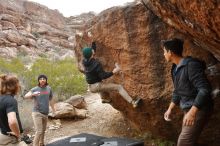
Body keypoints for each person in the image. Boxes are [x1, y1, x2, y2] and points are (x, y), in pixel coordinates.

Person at [162, 38, 213, 146]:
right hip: (188, 108)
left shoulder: (191, 65)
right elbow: (178, 90)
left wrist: (192, 112)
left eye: (164, 51)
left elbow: (204, 89)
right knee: (189, 141)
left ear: (170, 52)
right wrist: (170, 109)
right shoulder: (175, 68)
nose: (164, 54)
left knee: (184, 142)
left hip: (199, 108)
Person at [24, 74, 55, 146]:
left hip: (45, 113)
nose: (42, 80)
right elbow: (26, 96)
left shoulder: (49, 88)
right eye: (40, 79)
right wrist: (33, 94)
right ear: (38, 80)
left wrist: (53, 110)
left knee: (43, 131)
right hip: (37, 112)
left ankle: (42, 143)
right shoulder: (34, 89)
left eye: (44, 79)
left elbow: (51, 100)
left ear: (46, 80)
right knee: (39, 131)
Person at [0, 74, 27, 146]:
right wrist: (17, 134)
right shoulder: (11, 100)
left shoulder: (1, 98)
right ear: (14, 86)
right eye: (18, 83)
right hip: (10, 138)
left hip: (2, 136)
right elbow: (12, 121)